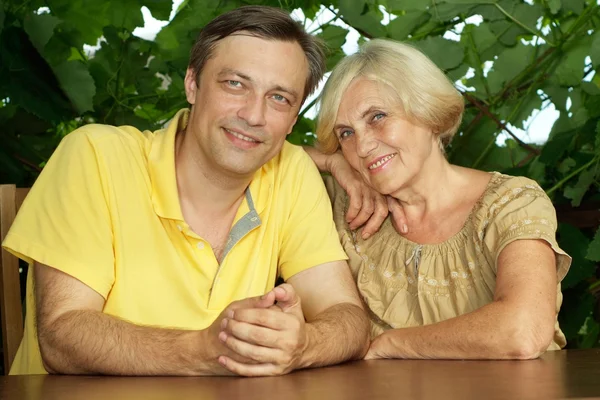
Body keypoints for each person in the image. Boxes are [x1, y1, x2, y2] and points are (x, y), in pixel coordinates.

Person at [1, 6, 370, 376]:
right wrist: (203, 349)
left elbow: (348, 318)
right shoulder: (95, 156)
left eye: (279, 98)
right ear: (192, 84)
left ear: (292, 119)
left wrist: (305, 344)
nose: (254, 115)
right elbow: (61, 337)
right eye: (235, 84)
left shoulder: (290, 172)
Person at [308, 39, 571, 360]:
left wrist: (388, 344)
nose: (361, 147)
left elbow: (521, 331)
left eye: (377, 117)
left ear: (429, 113)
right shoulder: (343, 202)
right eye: (346, 133)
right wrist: (330, 162)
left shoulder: (511, 202)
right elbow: (249, 150)